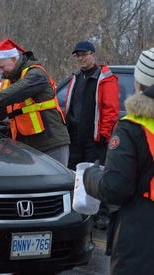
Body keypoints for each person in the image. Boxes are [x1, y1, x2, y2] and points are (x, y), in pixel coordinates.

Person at [83, 47, 154, 274]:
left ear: (139, 84)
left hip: (141, 239)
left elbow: (116, 188)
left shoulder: (132, 128)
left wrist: (89, 176)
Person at [0, 38, 70, 166]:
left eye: (2, 67)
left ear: (14, 59)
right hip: (25, 147)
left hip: (50, 142)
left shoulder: (36, 74)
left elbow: (15, 93)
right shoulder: (7, 83)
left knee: (56, 183)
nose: (1, 72)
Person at [63, 40, 119, 229]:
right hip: (75, 136)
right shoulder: (76, 77)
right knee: (76, 174)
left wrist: (104, 135)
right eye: (78, 55)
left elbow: (110, 109)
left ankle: (101, 214)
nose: (80, 58)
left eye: (84, 54)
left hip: (95, 138)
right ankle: (79, 211)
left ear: (93, 55)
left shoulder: (105, 77)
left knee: (98, 175)